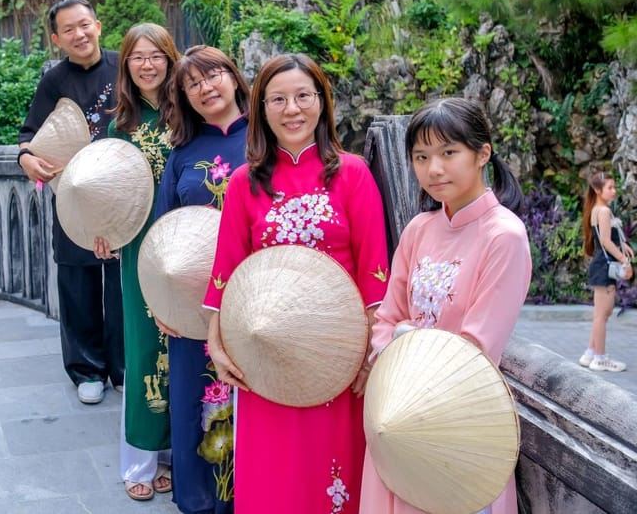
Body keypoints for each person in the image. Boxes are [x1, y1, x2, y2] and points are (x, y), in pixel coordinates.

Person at [203, 53, 390, 513]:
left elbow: (375, 269)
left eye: (304, 96)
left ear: (322, 104)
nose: (293, 109)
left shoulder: (352, 174)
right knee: (273, 477)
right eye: (279, 99)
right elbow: (226, 269)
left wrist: (369, 354)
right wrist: (216, 343)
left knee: (333, 471)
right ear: (261, 109)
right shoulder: (245, 183)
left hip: (338, 355)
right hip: (265, 353)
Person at [358, 97, 532, 514]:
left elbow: (476, 346)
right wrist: (393, 344)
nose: (433, 169)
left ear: (482, 153)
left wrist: (404, 339)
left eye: (449, 153)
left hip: (457, 419)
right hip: (398, 413)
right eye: (421, 157)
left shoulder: (504, 236)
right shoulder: (419, 229)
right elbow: (387, 317)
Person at [153, 45, 251, 514]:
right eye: (192, 83)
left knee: (252, 400)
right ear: (185, 98)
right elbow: (161, 236)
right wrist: (161, 304)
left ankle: (250, 498)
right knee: (195, 401)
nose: (205, 87)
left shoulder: (266, 142)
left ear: (234, 78)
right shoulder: (182, 155)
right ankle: (198, 503)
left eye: (213, 75)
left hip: (255, 299)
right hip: (193, 305)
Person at [18, 0, 123, 405]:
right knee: (78, 283)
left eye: (84, 25)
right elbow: (28, 135)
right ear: (56, 39)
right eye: (69, 30)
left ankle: (122, 367)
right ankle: (86, 369)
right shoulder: (54, 80)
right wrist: (26, 157)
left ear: (98, 25)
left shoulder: (126, 65)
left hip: (122, 193)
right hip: (74, 195)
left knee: (120, 282)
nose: (79, 34)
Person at [94, 23, 178, 501]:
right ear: (125, 66)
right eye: (137, 57)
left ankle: (172, 455)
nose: (147, 65)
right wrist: (100, 229)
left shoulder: (186, 114)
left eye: (156, 56)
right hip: (139, 244)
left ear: (170, 59)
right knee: (145, 346)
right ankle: (141, 461)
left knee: (182, 347)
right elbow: (103, 185)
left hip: (186, 244)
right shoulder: (118, 125)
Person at [579, 170, 633, 372]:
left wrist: (624, 245)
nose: (614, 191)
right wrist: (623, 260)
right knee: (602, 315)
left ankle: (591, 353)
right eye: (610, 187)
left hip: (601, 265)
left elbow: (610, 236)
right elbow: (605, 241)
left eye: (613, 187)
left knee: (602, 313)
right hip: (605, 266)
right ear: (597, 190)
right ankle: (600, 358)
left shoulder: (598, 209)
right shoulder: (602, 211)